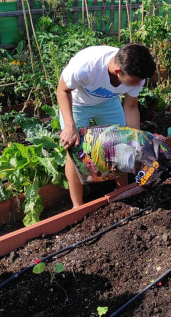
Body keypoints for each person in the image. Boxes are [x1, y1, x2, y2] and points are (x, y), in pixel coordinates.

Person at [57, 43, 156, 207]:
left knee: (122, 145)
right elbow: (62, 90)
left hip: (108, 101)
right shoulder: (85, 66)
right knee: (74, 150)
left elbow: (131, 107)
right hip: (77, 103)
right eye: (133, 82)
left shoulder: (137, 75)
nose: (137, 86)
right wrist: (69, 126)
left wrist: (136, 138)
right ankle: (77, 206)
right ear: (118, 72)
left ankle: (122, 195)